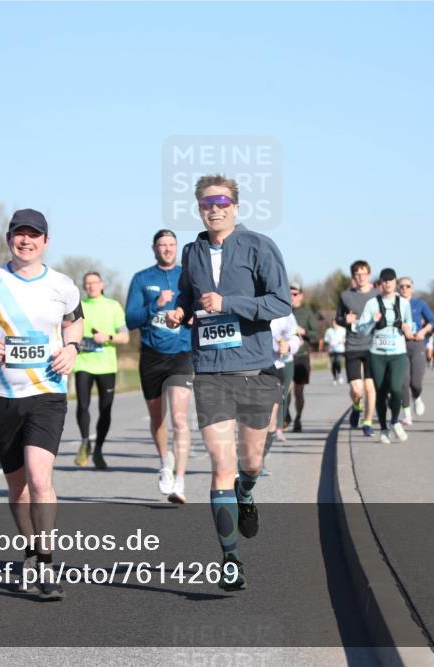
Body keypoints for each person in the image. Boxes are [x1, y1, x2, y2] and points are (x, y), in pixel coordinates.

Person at [165, 174, 290, 591]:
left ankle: (248, 491)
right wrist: (179, 311)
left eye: (221, 201)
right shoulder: (192, 252)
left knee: (250, 463)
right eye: (205, 203)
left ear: (236, 206)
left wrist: (229, 304)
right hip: (211, 374)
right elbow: (187, 294)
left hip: (255, 372)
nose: (213, 208)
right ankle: (230, 559)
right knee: (220, 464)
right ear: (198, 208)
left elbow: (279, 302)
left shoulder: (260, 247)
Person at [0, 208, 82, 600]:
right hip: (3, 397)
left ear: (46, 242)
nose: (25, 241)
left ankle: (46, 562)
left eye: (34, 235)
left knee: (39, 477)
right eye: (19, 235)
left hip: (47, 394)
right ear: (9, 239)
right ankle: (30, 547)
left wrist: (73, 348)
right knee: (18, 489)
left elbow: (73, 321)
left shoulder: (62, 285)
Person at [125, 229, 194, 503]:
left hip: (182, 354)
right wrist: (156, 304)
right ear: (154, 248)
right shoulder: (142, 279)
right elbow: (130, 319)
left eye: (171, 244)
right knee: (158, 418)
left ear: (176, 247)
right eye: (162, 245)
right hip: (152, 355)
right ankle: (165, 462)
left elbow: (201, 307)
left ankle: (179, 481)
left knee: (180, 418)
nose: (167, 249)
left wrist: (190, 317)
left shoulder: (187, 277)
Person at [72, 271, 130, 469]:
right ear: (83, 286)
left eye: (94, 282)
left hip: (106, 365)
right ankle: (85, 442)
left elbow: (125, 336)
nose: (91, 286)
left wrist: (107, 337)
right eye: (87, 283)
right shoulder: (79, 306)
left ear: (102, 284)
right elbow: (68, 329)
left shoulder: (113, 306)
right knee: (82, 405)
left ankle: (98, 449)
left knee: (105, 410)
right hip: (83, 363)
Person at [355, 268, 413, 443]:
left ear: (395, 283)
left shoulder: (404, 304)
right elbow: (361, 330)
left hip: (398, 353)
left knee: (396, 389)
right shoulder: (372, 304)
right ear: (380, 283)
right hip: (377, 354)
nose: (387, 283)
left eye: (390, 280)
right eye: (384, 280)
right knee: (380, 392)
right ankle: (383, 428)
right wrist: (373, 320)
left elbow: (411, 325)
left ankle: (395, 420)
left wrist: (408, 328)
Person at [336, 260, 379, 436]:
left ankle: (367, 422)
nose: (360, 277)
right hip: (352, 345)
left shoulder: (377, 295)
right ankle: (356, 405)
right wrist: (344, 320)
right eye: (357, 274)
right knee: (356, 388)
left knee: (370, 387)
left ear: (369, 274)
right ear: (353, 276)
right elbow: (338, 318)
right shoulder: (345, 296)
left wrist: (380, 319)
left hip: (372, 346)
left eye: (364, 274)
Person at [397, 277, 434, 425]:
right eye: (401, 286)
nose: (404, 289)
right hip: (400, 346)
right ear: (398, 289)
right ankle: (407, 415)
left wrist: (423, 332)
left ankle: (417, 398)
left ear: (412, 288)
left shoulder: (420, 304)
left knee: (416, 383)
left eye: (407, 286)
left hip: (417, 344)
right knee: (403, 381)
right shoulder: (394, 304)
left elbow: (432, 321)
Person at [284, 282, 319, 433]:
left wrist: (303, 332)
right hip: (285, 356)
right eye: (289, 293)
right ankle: (285, 418)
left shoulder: (307, 313)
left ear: (301, 296)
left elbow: (316, 335)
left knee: (299, 392)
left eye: (295, 294)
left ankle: (298, 417)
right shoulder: (282, 311)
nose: (292, 296)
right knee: (285, 390)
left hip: (301, 356)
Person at [268, 312, 301, 445]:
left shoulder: (282, 311)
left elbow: (294, 335)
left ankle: (278, 428)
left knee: (280, 396)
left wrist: (288, 345)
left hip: (277, 362)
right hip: (250, 364)